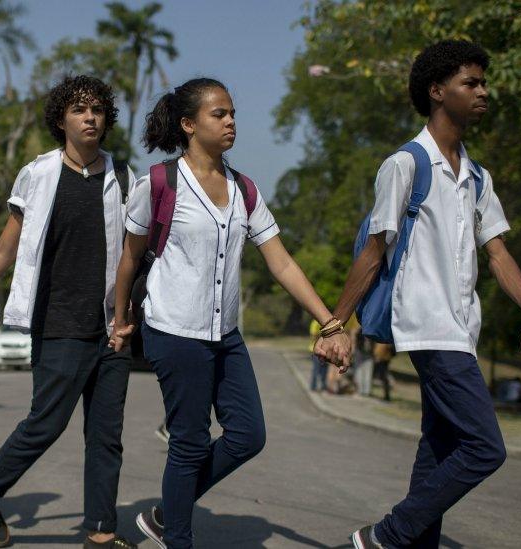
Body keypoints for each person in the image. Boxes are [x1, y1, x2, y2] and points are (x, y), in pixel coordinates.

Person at [327, 41, 521, 549]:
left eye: (483, 83)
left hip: (461, 328)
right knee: (484, 447)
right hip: (426, 325)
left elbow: (498, 255)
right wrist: (336, 323)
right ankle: (383, 536)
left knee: (439, 450)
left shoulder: (478, 177)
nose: (483, 92)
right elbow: (372, 252)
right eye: (471, 83)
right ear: (438, 92)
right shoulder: (405, 165)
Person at [109, 77, 351, 549]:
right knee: (190, 442)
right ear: (188, 124)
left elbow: (280, 261)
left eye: (232, 113)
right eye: (219, 114)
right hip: (175, 331)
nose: (231, 122)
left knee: (248, 434)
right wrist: (120, 319)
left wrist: (330, 320)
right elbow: (129, 258)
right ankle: (176, 537)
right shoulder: (159, 182)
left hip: (226, 332)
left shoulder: (245, 189)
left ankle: (167, 513)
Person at [0, 75, 138, 549]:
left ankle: (102, 532)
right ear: (60, 119)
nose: (90, 117)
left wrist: (129, 316)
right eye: (79, 110)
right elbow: (5, 249)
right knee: (47, 422)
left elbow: (135, 253)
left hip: (111, 327)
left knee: (106, 436)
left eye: (98, 110)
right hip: (59, 323)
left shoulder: (126, 179)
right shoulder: (39, 174)